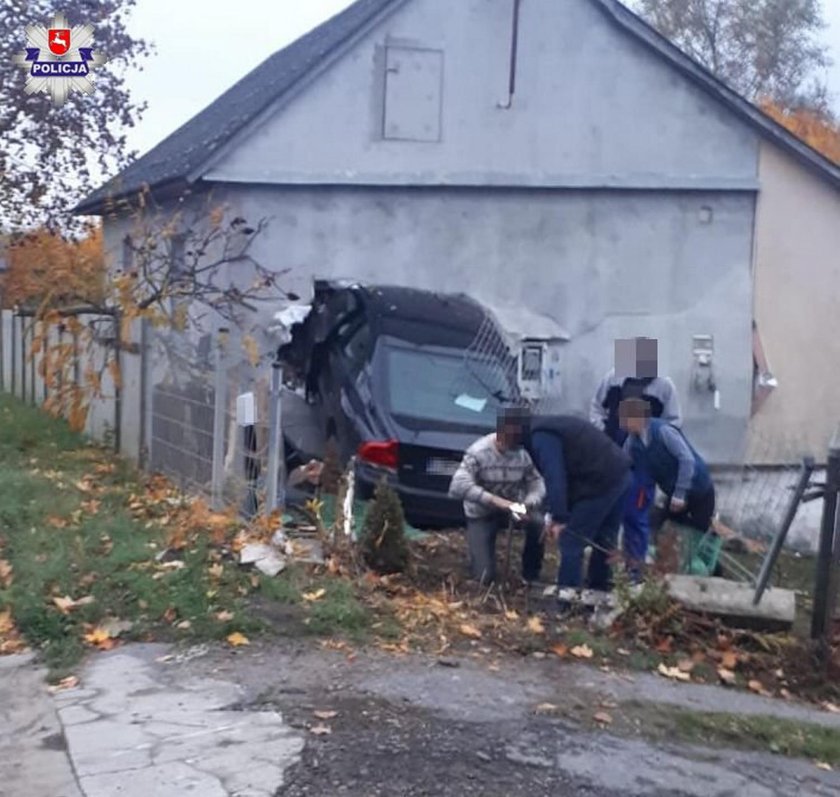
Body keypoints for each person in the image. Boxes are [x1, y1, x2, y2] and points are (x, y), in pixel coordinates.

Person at [590, 337, 682, 579]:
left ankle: (634, 575)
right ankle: (601, 575)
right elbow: (596, 407)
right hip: (610, 457)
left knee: (636, 517)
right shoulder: (613, 378)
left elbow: (674, 422)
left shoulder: (664, 387)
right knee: (606, 514)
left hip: (642, 465)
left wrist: (654, 442)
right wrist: (601, 435)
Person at [523, 412, 632, 610]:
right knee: (604, 539)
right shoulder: (554, 424)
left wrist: (559, 517)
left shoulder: (541, 436)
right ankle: (598, 595)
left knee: (571, 541)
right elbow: (568, 473)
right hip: (620, 474)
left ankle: (567, 602)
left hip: (600, 482)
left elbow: (555, 476)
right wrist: (552, 511)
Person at [449, 407, 546, 586]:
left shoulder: (522, 454)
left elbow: (537, 483)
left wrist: (528, 503)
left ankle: (531, 575)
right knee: (484, 577)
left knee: (539, 523)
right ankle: (481, 561)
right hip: (481, 513)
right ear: (503, 431)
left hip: (514, 508)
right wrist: (497, 501)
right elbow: (457, 486)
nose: (515, 445)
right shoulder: (478, 452)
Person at [618, 398, 716, 535]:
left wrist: (679, 494)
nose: (623, 425)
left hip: (698, 487)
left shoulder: (663, 431)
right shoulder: (632, 443)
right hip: (672, 491)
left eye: (626, 420)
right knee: (661, 520)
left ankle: (711, 536)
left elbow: (687, 460)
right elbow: (624, 465)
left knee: (699, 530)